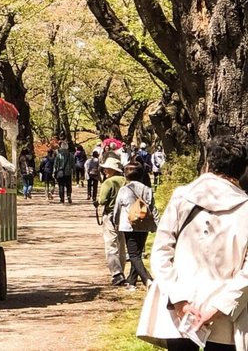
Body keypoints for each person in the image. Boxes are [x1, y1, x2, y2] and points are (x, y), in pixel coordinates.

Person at [139, 136, 248, 351]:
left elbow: (161, 251)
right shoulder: (245, 207)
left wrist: (180, 300)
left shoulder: (183, 197)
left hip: (181, 314)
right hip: (226, 319)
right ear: (243, 170)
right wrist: (220, 306)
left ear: (208, 164)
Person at [115, 161, 159, 290]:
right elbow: (153, 208)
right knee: (137, 253)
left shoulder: (124, 190)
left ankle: (148, 279)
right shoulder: (147, 189)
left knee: (133, 255)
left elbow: (117, 208)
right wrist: (156, 224)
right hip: (144, 223)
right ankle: (131, 282)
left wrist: (115, 221)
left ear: (126, 176)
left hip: (128, 224)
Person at [95, 157, 127, 286]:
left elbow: (102, 201)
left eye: (107, 168)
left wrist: (96, 203)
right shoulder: (126, 180)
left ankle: (116, 273)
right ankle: (122, 270)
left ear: (112, 169)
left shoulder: (108, 183)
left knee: (111, 244)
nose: (104, 170)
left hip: (110, 215)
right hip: (124, 216)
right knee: (122, 244)